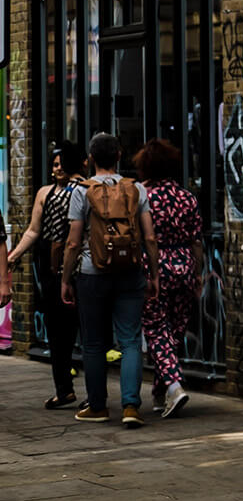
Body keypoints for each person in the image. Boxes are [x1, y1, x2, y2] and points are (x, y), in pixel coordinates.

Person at [61, 132, 160, 427]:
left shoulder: (81, 191)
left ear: (90, 159)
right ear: (119, 156)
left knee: (93, 343)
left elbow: (73, 242)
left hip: (93, 273)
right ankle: (131, 407)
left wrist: (66, 278)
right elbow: (150, 237)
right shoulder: (137, 189)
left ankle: (98, 406)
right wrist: (153, 273)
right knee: (130, 340)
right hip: (130, 271)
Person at [7, 143, 85, 408]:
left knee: (85, 329)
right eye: (54, 164)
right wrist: (13, 256)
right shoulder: (44, 193)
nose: (58, 168)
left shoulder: (87, 189)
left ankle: (96, 395)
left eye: (63, 163)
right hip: (51, 269)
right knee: (57, 332)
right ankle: (64, 389)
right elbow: (33, 230)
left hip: (80, 267)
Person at [136, 140, 203, 419]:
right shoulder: (187, 197)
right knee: (173, 332)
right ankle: (159, 392)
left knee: (154, 330)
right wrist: (197, 272)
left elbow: (142, 237)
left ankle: (174, 387)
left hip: (154, 267)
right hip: (184, 265)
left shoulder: (143, 197)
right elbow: (196, 240)